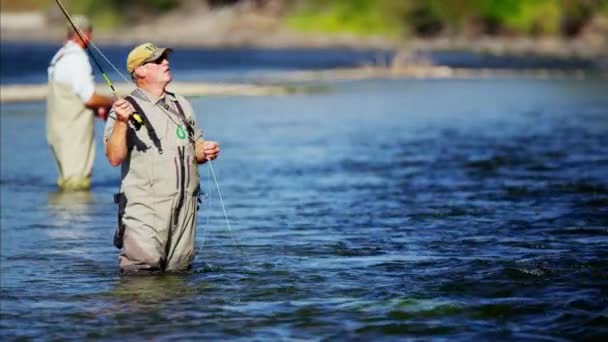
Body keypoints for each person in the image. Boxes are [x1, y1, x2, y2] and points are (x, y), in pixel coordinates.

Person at [104, 42, 220, 273]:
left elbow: (194, 149)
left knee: (179, 277)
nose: (165, 63)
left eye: (165, 59)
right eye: (157, 61)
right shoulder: (126, 108)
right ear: (140, 71)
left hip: (185, 208)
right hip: (146, 210)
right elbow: (114, 157)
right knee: (141, 278)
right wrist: (120, 121)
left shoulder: (181, 104)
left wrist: (205, 151)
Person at [47, 15, 114, 191]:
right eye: (90, 34)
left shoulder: (59, 57)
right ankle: (78, 217)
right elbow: (89, 98)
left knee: (67, 181)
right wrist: (114, 102)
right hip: (73, 134)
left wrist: (98, 109)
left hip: (58, 132)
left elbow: (74, 95)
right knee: (76, 185)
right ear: (85, 35)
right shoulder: (77, 58)